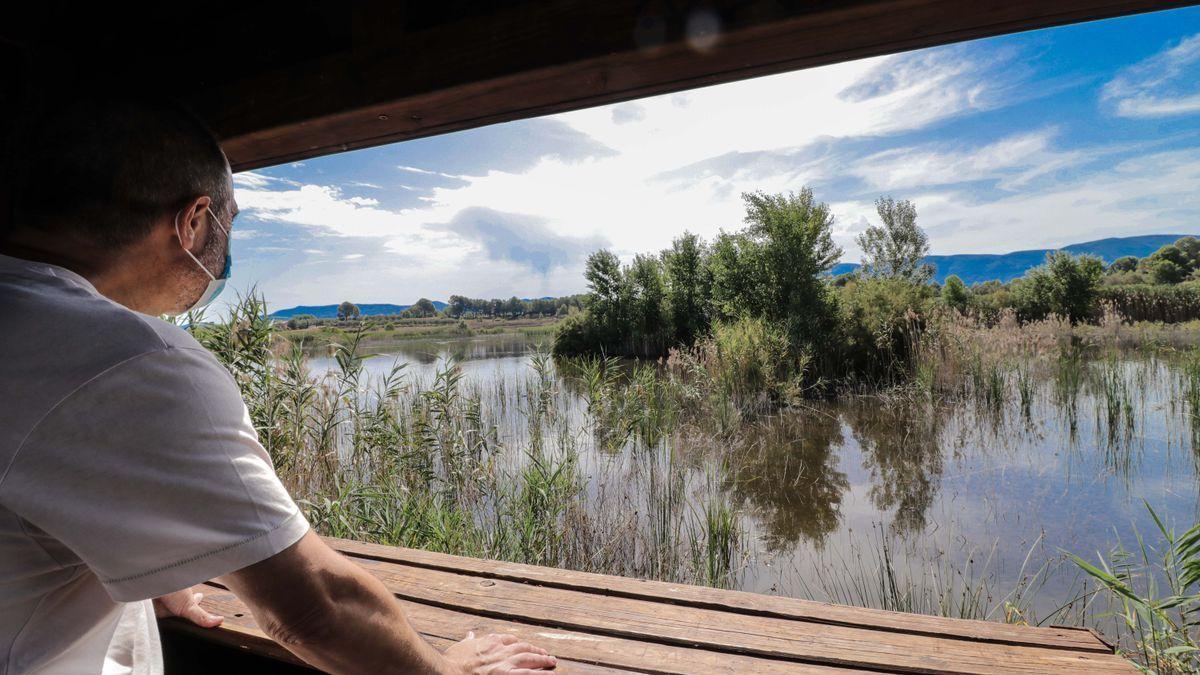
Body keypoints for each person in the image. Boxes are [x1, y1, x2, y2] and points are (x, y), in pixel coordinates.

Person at [0, 96, 557, 675]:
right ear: (193, 221)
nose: (227, 248)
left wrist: (141, 570)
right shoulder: (127, 361)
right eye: (229, 220)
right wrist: (447, 669)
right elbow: (314, 610)